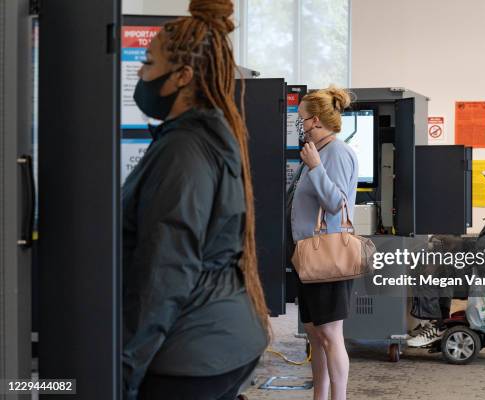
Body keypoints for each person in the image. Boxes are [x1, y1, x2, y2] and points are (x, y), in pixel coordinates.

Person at [121, 1, 269, 399]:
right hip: (223, 340)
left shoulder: (184, 150)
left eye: (149, 63)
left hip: (191, 353)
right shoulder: (209, 137)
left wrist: (124, 371)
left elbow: (166, 268)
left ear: (183, 75)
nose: (139, 72)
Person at [407, 161, 485, 346]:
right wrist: (458, 244)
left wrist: (457, 246)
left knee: (427, 267)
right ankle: (437, 322)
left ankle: (436, 325)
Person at [291, 86, 358, 400]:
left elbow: (337, 203)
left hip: (328, 257)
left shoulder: (338, 153)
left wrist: (316, 168)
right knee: (315, 334)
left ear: (315, 120)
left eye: (301, 119)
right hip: (307, 257)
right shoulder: (314, 154)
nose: (299, 124)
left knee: (330, 334)